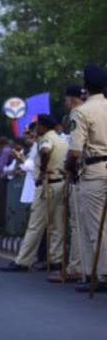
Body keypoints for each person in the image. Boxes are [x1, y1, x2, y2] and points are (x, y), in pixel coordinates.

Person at [4, 115, 69, 273]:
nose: (36, 129)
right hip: (61, 183)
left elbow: (45, 151)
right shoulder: (61, 140)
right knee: (57, 225)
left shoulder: (45, 139)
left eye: (37, 126)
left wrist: (43, 171)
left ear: (43, 126)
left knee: (35, 225)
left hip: (47, 184)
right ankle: (56, 260)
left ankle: (23, 261)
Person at [67, 64, 107, 291]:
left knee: (95, 227)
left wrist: (70, 168)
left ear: (86, 87)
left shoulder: (82, 111)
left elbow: (75, 151)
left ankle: (101, 275)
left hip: (93, 171)